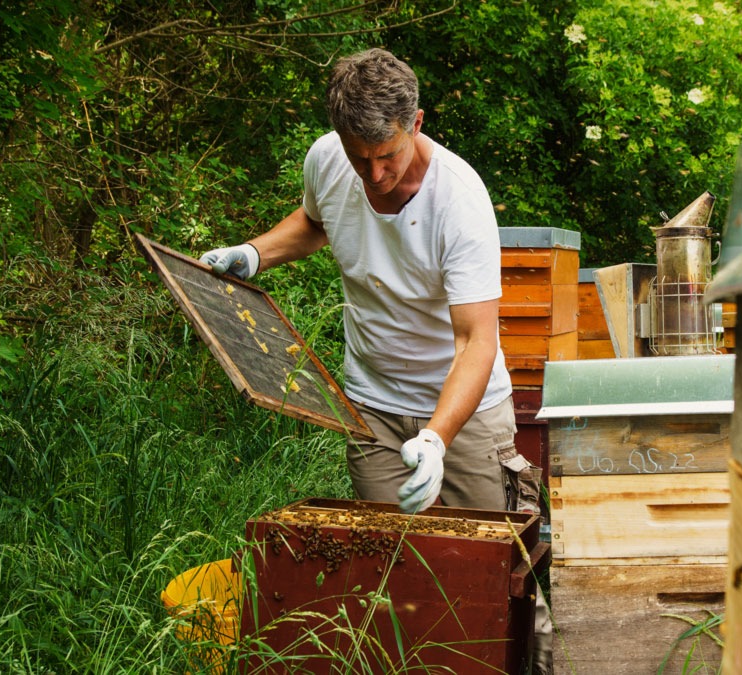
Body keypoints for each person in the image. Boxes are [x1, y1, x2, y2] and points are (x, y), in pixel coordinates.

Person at [199, 47, 551, 672]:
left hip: (466, 420)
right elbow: (316, 221)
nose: (374, 174)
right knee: (391, 584)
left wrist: (438, 440)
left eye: (386, 155)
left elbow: (477, 341)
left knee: (501, 580)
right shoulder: (329, 160)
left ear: (415, 123)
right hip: (373, 410)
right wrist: (254, 254)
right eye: (359, 157)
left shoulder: (459, 200)